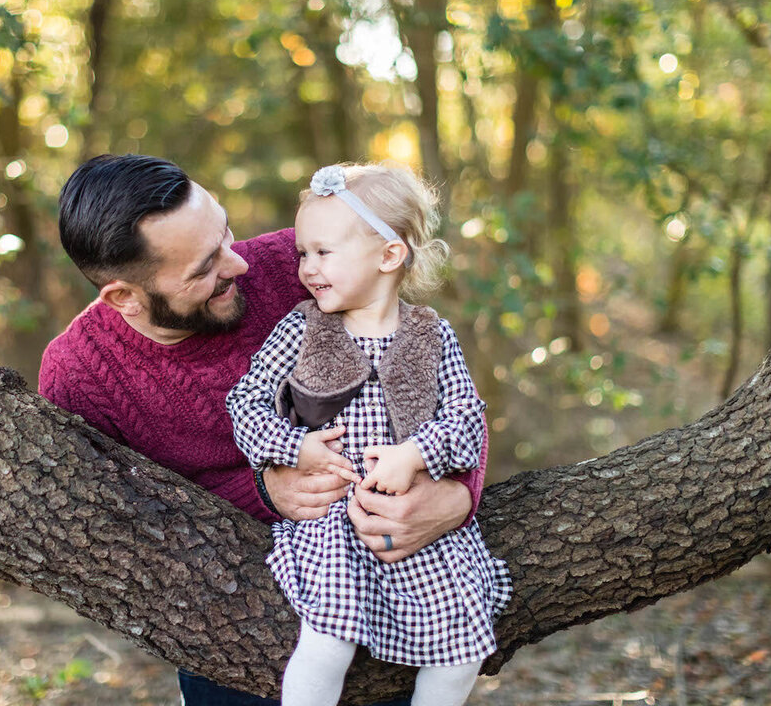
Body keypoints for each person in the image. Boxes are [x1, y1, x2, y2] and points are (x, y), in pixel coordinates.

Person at [39, 153, 487, 705]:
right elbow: (108, 528)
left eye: (226, 232)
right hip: (229, 629)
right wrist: (262, 488)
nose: (238, 264)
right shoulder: (80, 374)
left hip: (386, 589)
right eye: (203, 268)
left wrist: (457, 497)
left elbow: (428, 387)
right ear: (125, 297)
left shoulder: (300, 267)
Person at [227, 163, 512, 706]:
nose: (308, 268)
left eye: (324, 252)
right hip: (333, 524)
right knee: (329, 640)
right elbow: (246, 403)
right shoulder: (302, 329)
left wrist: (418, 452)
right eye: (303, 253)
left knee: (460, 650)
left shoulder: (431, 334)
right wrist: (295, 448)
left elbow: (467, 419)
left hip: (417, 526)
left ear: (388, 255)